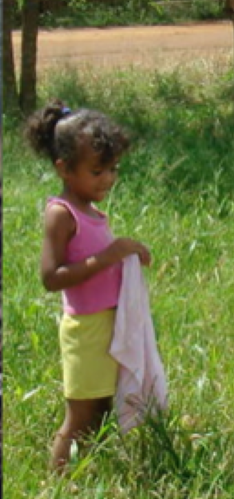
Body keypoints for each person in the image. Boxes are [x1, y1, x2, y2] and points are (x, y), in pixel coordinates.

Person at [25, 101, 154, 471]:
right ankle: (58, 481)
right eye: (97, 171)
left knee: (101, 407)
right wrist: (111, 256)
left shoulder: (90, 211)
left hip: (107, 324)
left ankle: (87, 474)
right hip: (85, 330)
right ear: (63, 169)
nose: (108, 179)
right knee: (80, 414)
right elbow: (51, 277)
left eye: (113, 169)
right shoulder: (61, 214)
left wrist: (128, 257)